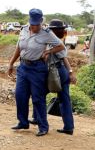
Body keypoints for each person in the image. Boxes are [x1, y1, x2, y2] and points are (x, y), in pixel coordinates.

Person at [7, 8, 65, 137]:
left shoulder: (47, 33)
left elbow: (61, 46)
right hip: (23, 67)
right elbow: (18, 47)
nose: (34, 27)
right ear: (29, 22)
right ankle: (23, 122)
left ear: (41, 22)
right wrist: (11, 63)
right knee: (20, 95)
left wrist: (48, 51)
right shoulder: (23, 30)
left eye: (37, 24)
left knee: (38, 98)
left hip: (37, 69)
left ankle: (43, 126)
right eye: (33, 24)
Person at [47, 19, 76, 135]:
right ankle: (68, 127)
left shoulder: (54, 42)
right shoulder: (58, 40)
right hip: (62, 71)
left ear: (52, 30)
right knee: (65, 99)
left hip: (57, 72)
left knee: (40, 92)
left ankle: (36, 118)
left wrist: (70, 72)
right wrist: (69, 73)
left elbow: (64, 59)